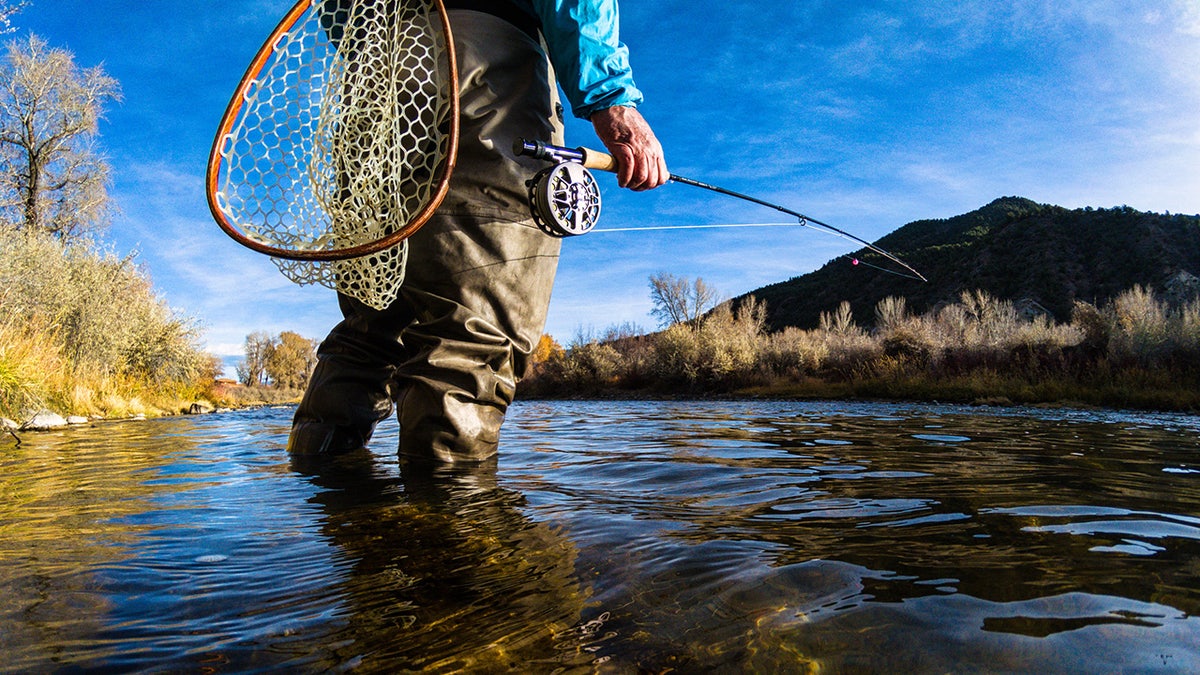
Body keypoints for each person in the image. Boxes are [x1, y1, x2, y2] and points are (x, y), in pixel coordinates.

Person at [288, 0, 668, 463]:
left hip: (372, 80)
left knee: (369, 328)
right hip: (484, 68)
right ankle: (454, 529)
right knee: (474, 339)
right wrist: (612, 101)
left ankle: (326, 510)